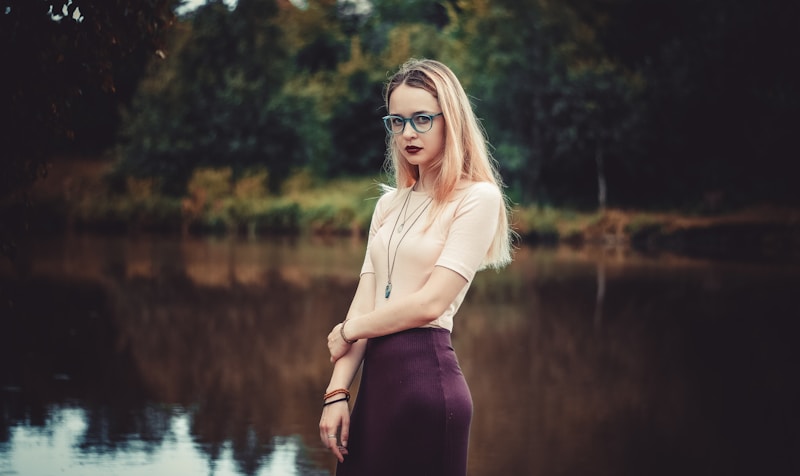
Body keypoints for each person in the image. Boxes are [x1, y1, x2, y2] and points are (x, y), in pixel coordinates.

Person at [318, 58, 513, 476]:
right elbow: (365, 300)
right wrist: (337, 393)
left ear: (451, 120)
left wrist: (349, 330)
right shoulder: (388, 204)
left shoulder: (477, 198)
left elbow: (430, 303)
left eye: (423, 119)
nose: (408, 133)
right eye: (398, 121)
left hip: (428, 387)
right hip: (376, 389)